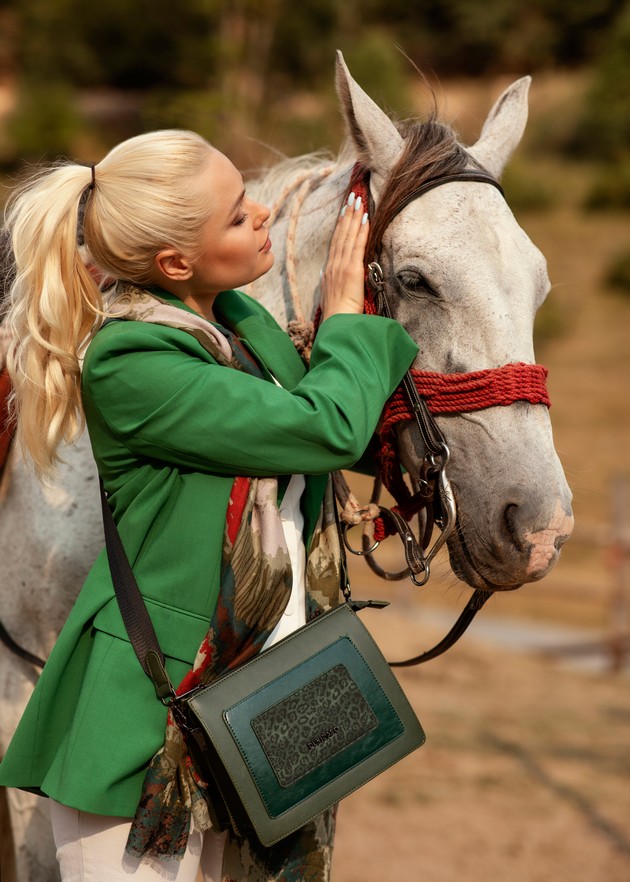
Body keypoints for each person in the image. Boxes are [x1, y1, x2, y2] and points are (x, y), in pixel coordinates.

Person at [0, 130, 418, 882]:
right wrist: (346, 314)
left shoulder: (237, 326)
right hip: (148, 732)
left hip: (270, 702)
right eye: (235, 216)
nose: (262, 215)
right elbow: (326, 425)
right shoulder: (133, 361)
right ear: (174, 264)